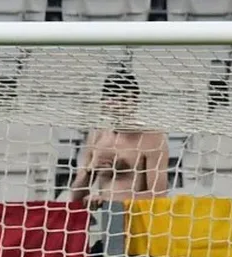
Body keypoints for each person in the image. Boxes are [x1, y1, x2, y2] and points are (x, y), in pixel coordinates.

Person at [70, 70, 169, 207]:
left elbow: (158, 196)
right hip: (103, 217)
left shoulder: (152, 138)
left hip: (137, 218)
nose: (117, 105)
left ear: (135, 100)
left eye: (123, 99)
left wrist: (110, 200)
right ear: (103, 102)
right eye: (111, 98)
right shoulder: (97, 136)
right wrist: (90, 170)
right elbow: (75, 197)